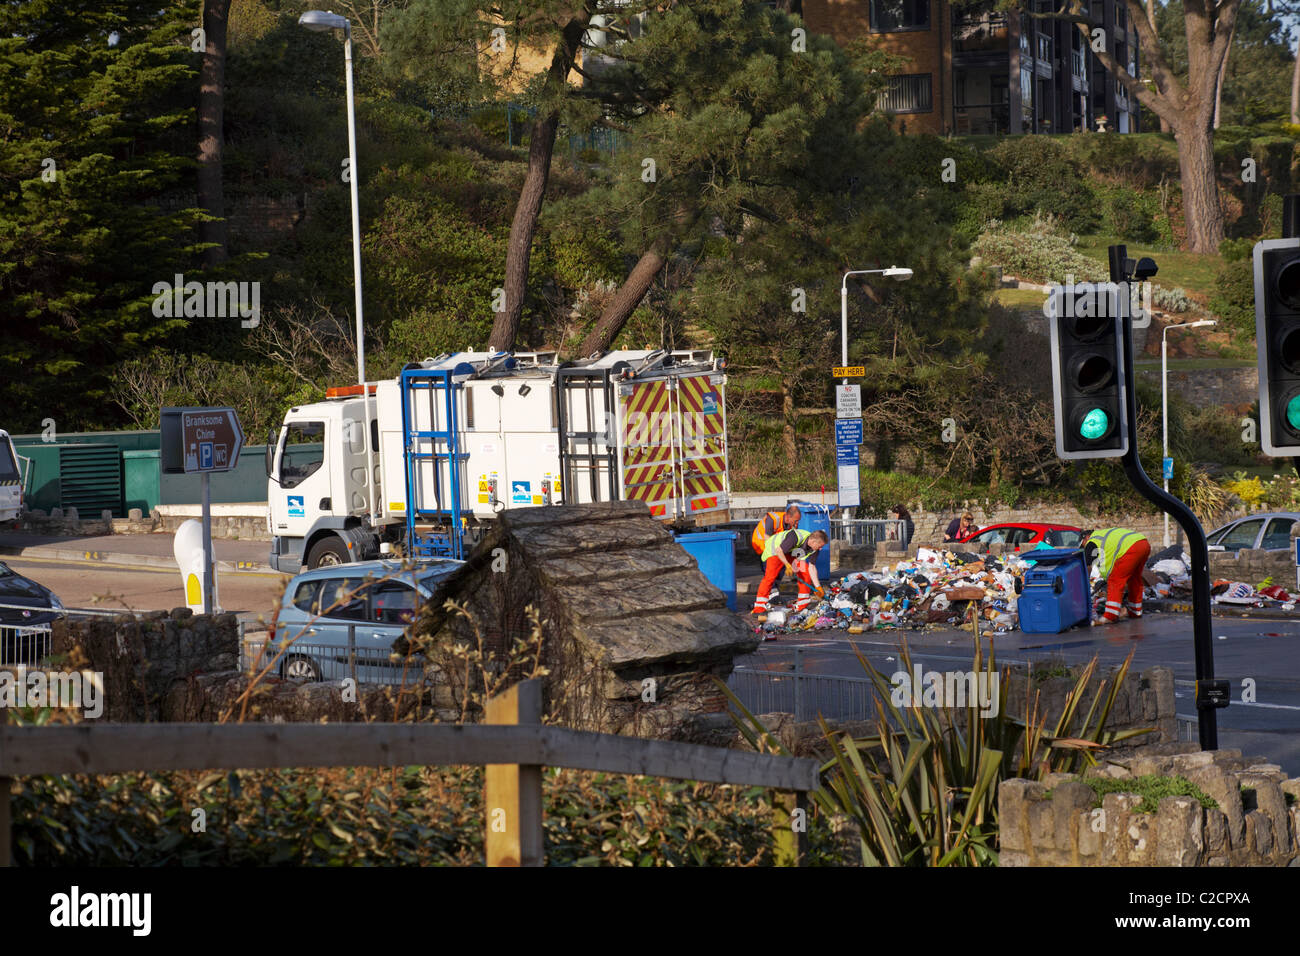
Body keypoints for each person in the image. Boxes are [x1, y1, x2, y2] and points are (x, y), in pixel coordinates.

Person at [752, 528, 829, 615]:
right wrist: (787, 565)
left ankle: (802, 604)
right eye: (820, 546)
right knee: (770, 577)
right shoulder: (794, 537)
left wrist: (818, 587)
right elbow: (779, 550)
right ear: (813, 541)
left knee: (805, 574)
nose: (821, 548)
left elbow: (812, 566)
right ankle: (759, 607)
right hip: (775, 551)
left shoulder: (815, 548)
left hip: (791, 553)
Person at [1082, 527, 1151, 623]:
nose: (1083, 547)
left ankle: (1111, 615)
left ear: (1086, 538)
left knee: (1115, 580)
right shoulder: (1102, 535)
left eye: (1082, 544)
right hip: (1143, 544)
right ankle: (1135, 611)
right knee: (1134, 579)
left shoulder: (1092, 541)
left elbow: (1088, 566)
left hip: (1131, 548)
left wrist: (1084, 582)